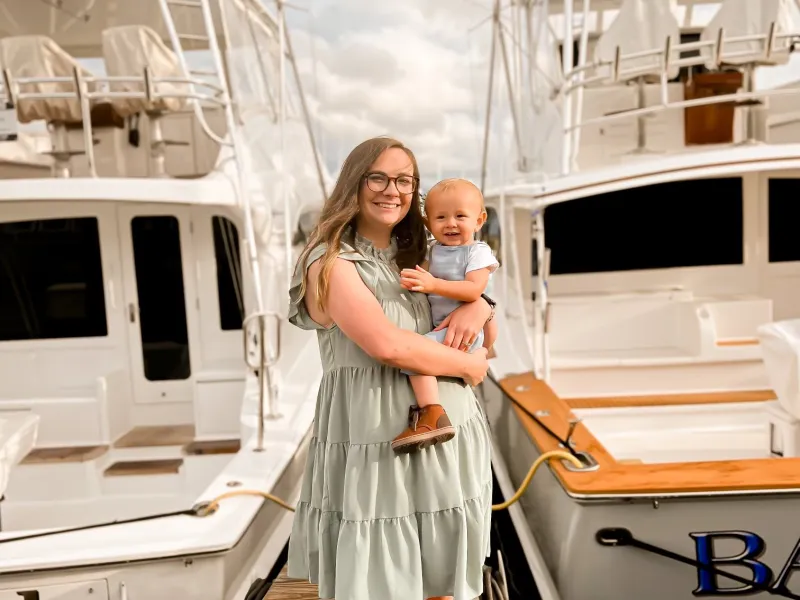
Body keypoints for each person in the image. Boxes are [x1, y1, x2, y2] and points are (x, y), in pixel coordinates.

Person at [286, 136, 495, 600]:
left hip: (447, 433)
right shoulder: (331, 262)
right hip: (377, 438)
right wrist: (469, 366)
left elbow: (472, 291)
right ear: (354, 184)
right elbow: (388, 346)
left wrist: (480, 306)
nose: (392, 190)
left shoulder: (419, 252)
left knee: (441, 575)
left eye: (404, 180)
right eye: (378, 177)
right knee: (382, 579)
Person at [392, 178, 499, 454]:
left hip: (462, 331)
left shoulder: (477, 252)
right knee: (421, 353)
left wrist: (433, 285)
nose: (450, 223)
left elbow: (475, 289)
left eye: (460, 216)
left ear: (479, 220)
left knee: (416, 357)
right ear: (429, 224)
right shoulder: (433, 251)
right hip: (448, 328)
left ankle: (431, 414)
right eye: (441, 217)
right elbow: (419, 272)